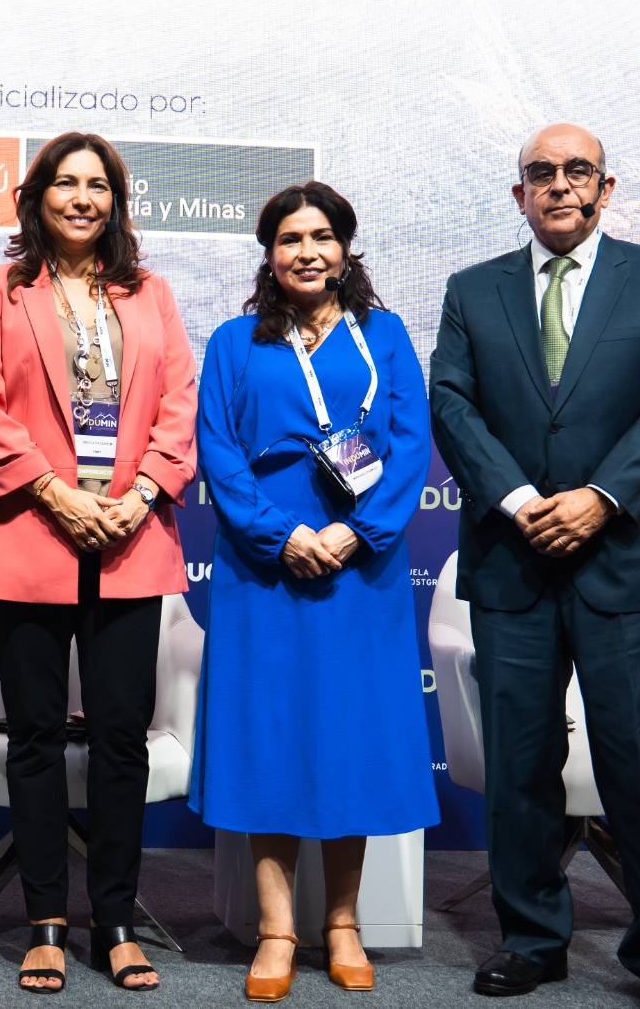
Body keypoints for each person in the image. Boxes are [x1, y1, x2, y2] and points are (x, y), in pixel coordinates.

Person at [429, 123, 640, 1009]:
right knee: (519, 765)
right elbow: (452, 403)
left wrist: (600, 497)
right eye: (541, 173)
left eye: (577, 170)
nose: (559, 184)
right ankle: (531, 939)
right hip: (512, 562)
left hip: (623, 559)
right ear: (520, 195)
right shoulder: (471, 290)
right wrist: (519, 501)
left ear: (605, 187)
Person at [0, 132, 197, 994]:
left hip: (130, 537)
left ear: (116, 202)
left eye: (99, 185)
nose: (82, 197)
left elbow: (179, 405)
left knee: (123, 738)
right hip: (26, 531)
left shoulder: (151, 294)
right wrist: (55, 494)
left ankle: (116, 921)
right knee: (36, 737)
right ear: (37, 196)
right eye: (66, 182)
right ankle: (46, 922)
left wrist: (141, 495)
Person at [188, 182, 438, 1002]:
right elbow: (218, 451)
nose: (307, 251)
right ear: (269, 254)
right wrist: (281, 535)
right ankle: (275, 931)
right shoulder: (234, 342)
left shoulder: (385, 335)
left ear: (345, 248)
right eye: (290, 238)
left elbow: (410, 446)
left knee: (348, 739)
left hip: (360, 566)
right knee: (270, 739)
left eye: (322, 236)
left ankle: (342, 923)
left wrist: (356, 533)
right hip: (264, 566)